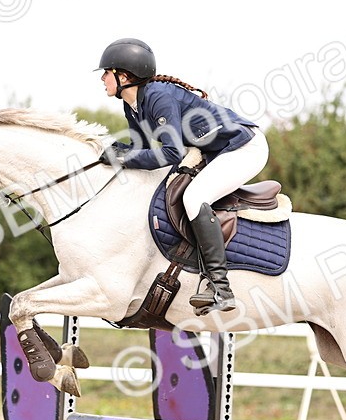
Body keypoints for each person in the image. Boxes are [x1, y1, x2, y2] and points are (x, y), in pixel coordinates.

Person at [97, 37, 268, 314]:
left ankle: (220, 287)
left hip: (244, 147)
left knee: (194, 197)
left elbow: (171, 154)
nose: (102, 78)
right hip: (216, 151)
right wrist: (110, 154)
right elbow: (140, 149)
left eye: (106, 72)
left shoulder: (158, 97)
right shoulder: (133, 105)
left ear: (124, 75)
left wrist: (123, 157)